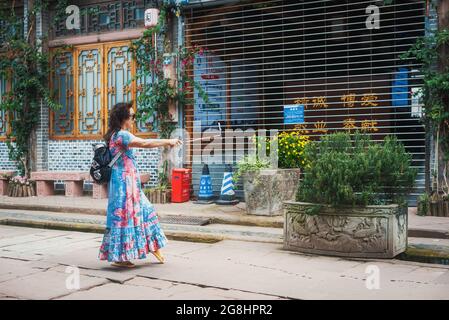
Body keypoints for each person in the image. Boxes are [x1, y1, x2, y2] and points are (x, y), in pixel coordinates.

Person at [99, 102, 182, 268]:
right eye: (132, 116)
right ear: (123, 118)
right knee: (124, 217)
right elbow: (145, 143)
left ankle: (151, 245)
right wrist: (168, 141)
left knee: (145, 210)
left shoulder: (118, 135)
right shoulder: (122, 135)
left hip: (128, 182)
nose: (134, 119)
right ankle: (120, 257)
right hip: (123, 184)